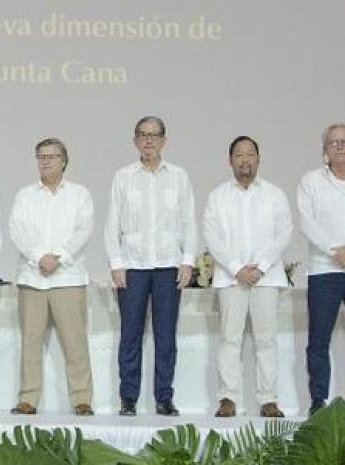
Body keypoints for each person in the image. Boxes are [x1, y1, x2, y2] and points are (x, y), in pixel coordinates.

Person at [104, 116, 197, 416]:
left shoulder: (179, 176)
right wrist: (117, 263)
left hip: (169, 265)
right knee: (130, 334)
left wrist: (188, 260)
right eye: (143, 135)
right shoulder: (123, 176)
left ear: (164, 141)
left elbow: (189, 221)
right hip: (133, 266)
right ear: (135, 141)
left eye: (155, 136)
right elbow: (112, 224)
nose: (149, 141)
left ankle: (164, 397)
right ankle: (128, 397)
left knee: (166, 335)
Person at [203, 136, 292, 418]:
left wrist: (261, 267)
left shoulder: (275, 194)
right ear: (229, 161)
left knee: (266, 340)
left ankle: (268, 399)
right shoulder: (217, 196)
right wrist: (236, 268)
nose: (245, 160)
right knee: (230, 339)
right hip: (231, 279)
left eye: (250, 154)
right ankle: (227, 398)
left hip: (266, 277)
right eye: (239, 155)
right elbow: (212, 236)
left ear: (258, 159)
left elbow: (284, 233)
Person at [8, 138, 95, 416]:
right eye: (40, 156)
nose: (45, 161)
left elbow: (83, 230)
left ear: (64, 161)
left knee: (75, 343)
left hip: (67, 278)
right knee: (30, 344)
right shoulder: (25, 195)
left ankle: (81, 399)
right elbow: (16, 230)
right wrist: (38, 257)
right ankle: (28, 399)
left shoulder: (80, 194)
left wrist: (58, 257)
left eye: (51, 156)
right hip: (32, 278)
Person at [299, 122, 345, 416]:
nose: (340, 146)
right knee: (318, 341)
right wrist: (335, 250)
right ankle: (319, 401)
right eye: (334, 142)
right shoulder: (311, 181)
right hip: (323, 271)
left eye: (344, 141)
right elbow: (307, 222)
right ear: (324, 150)